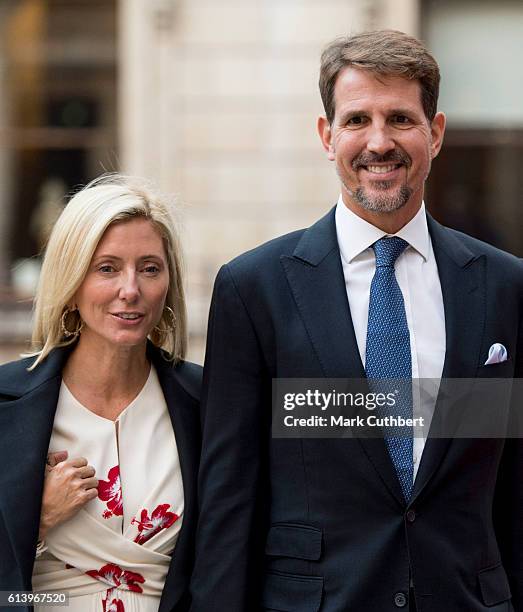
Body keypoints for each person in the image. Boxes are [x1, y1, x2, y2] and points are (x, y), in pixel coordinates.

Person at [189, 30, 523, 612]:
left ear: (435, 133)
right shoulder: (254, 289)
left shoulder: (504, 286)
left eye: (400, 118)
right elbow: (230, 495)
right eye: (356, 120)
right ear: (327, 135)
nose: (378, 142)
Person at [0, 175, 202, 612]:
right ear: (70, 284)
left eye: (149, 268)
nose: (130, 290)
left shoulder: (208, 402)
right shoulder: (3, 404)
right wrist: (35, 521)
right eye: (107, 268)